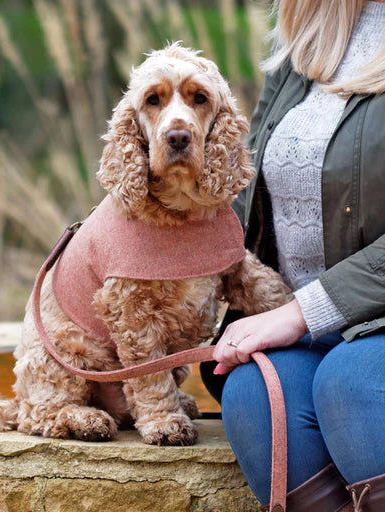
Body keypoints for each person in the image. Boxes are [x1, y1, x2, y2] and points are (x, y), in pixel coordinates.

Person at [200, 1, 385, 510]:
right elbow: (249, 193)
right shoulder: (306, 36)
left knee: (352, 385)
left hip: (353, 327)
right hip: (312, 327)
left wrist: (302, 312)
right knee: (256, 396)